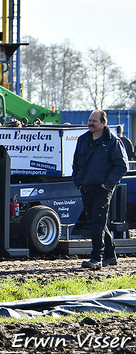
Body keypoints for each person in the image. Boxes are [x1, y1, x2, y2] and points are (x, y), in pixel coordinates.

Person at [72, 110, 128, 270]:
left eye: (94, 121)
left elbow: (122, 166)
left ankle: (96, 257)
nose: (90, 123)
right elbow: (76, 163)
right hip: (86, 187)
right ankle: (110, 255)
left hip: (102, 189)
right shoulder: (83, 140)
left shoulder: (113, 142)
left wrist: (106, 184)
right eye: (89, 120)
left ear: (103, 123)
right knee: (97, 222)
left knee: (97, 221)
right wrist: (78, 182)